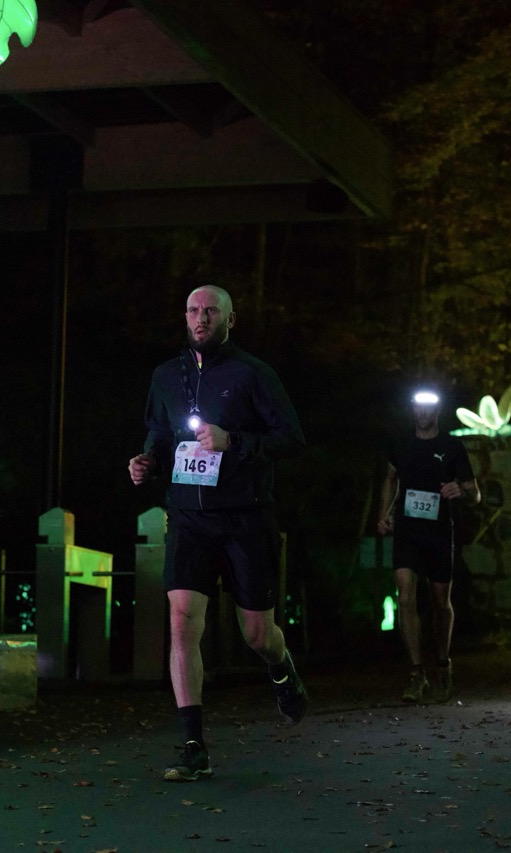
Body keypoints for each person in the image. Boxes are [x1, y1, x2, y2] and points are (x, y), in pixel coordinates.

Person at [128, 284, 307, 783]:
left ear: (231, 319)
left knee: (257, 634)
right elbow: (159, 432)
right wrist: (147, 461)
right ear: (184, 317)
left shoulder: (253, 373)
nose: (201, 318)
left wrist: (235, 441)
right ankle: (193, 746)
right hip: (189, 517)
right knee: (182, 620)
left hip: (246, 516)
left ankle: (281, 666)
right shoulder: (166, 375)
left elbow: (292, 439)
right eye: (193, 310)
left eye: (210, 311)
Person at [377, 390, 479, 704]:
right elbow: (390, 479)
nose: (423, 413)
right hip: (407, 532)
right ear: (412, 410)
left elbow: (475, 493)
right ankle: (416, 672)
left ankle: (443, 663)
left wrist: (459, 489)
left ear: (437, 411)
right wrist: (383, 515)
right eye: (418, 408)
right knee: (405, 596)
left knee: (440, 602)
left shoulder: (452, 447)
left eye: (428, 408)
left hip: (439, 533)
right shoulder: (401, 444)